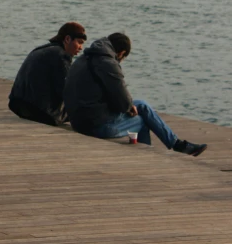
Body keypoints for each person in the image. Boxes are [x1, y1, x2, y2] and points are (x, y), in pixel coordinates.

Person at [63, 33, 207, 156]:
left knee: (141, 107)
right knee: (143, 116)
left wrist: (128, 106)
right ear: (121, 53)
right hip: (94, 126)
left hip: (78, 121)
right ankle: (166, 149)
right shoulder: (108, 63)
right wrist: (128, 107)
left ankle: (173, 145)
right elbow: (122, 102)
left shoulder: (85, 58)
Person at [8, 22, 87, 126]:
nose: (81, 47)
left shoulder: (42, 49)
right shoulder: (61, 56)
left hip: (19, 105)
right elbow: (65, 90)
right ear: (67, 39)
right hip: (40, 111)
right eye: (79, 42)